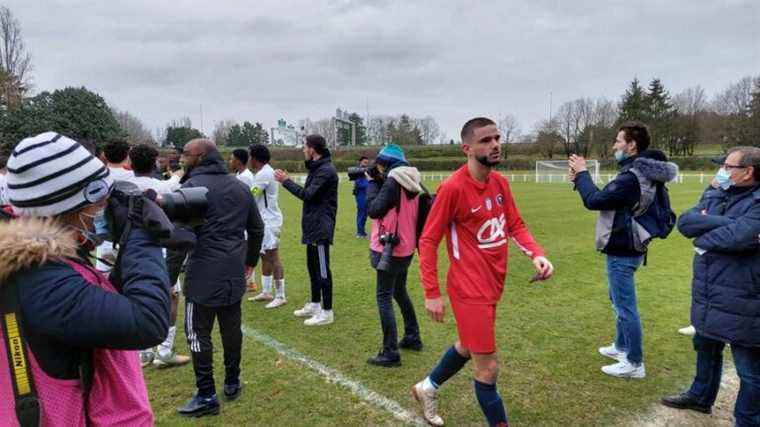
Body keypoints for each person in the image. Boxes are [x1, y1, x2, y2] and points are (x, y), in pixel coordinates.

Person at [0, 132, 171, 425]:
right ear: (69, 207)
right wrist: (143, 232)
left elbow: (102, 303)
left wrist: (128, 240)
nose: (99, 212)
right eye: (97, 203)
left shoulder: (36, 260)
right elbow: (147, 321)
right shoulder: (40, 279)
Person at [411, 118, 554, 427]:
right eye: (486, 140)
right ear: (467, 148)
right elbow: (428, 239)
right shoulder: (452, 188)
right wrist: (432, 293)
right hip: (468, 289)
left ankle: (427, 387)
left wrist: (538, 255)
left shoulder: (500, 183)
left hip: (492, 285)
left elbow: (515, 225)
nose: (495, 144)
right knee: (488, 369)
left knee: (466, 344)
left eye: (497, 138)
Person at [661, 146, 760, 426]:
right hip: (710, 290)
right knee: (705, 346)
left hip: (746, 298)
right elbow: (687, 222)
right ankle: (700, 396)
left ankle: (747, 420)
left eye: (727, 167)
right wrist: (718, 205)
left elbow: (739, 236)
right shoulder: (720, 192)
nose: (721, 172)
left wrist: (707, 231)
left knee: (750, 370)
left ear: (748, 172)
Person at [568, 121, 675, 379]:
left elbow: (595, 200)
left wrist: (582, 174)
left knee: (625, 306)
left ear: (631, 145)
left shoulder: (632, 177)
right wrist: (580, 179)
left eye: (618, 141)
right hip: (631, 247)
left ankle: (634, 363)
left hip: (624, 248)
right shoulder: (642, 173)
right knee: (618, 301)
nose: (614, 145)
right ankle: (621, 346)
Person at [177, 139, 264, 417]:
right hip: (232, 271)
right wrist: (249, 262)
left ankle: (206, 395)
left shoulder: (191, 189)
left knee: (196, 332)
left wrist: (168, 275)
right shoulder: (239, 186)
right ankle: (232, 381)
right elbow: (257, 229)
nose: (181, 157)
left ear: (200, 156)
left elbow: (178, 236)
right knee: (230, 328)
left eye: (186, 153)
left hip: (203, 272)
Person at [127, 144, 189, 369]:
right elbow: (177, 183)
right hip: (159, 250)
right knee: (172, 295)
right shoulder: (162, 186)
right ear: (154, 163)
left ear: (131, 163)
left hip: (130, 251)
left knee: (137, 296)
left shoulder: (118, 185)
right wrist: (180, 171)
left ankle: (143, 352)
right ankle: (164, 350)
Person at [365, 145, 422, 367]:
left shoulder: (392, 181)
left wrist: (371, 183)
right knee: (399, 291)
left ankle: (390, 352)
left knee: (384, 296)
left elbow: (373, 210)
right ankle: (412, 336)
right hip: (406, 247)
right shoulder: (411, 179)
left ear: (385, 164)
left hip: (389, 248)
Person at [274, 134, 338, 326]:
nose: (303, 150)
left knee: (323, 270)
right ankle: (315, 303)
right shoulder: (317, 168)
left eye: (305, 146)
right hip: (312, 225)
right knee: (312, 267)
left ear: (312, 149)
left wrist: (286, 181)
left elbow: (308, 195)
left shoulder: (326, 170)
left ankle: (327, 312)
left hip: (321, 227)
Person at [248, 144, 287, 308]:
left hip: (270, 221)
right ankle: (266, 291)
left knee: (273, 256)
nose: (249, 160)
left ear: (255, 158)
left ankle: (280, 295)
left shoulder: (264, 173)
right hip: (264, 220)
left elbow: (252, 195)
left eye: (250, 156)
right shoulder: (263, 172)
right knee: (264, 255)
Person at [97, 139, 135, 273]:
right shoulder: (135, 177)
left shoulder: (97, 177)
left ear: (105, 155)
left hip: (105, 234)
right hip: (131, 235)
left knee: (104, 277)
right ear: (128, 155)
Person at [354, 156, 370, 238]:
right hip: (361, 194)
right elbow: (359, 183)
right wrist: (370, 184)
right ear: (360, 162)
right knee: (361, 213)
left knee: (365, 214)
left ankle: (362, 231)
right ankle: (359, 233)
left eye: (367, 163)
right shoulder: (357, 171)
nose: (366, 164)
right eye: (364, 162)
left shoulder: (366, 171)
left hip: (367, 194)